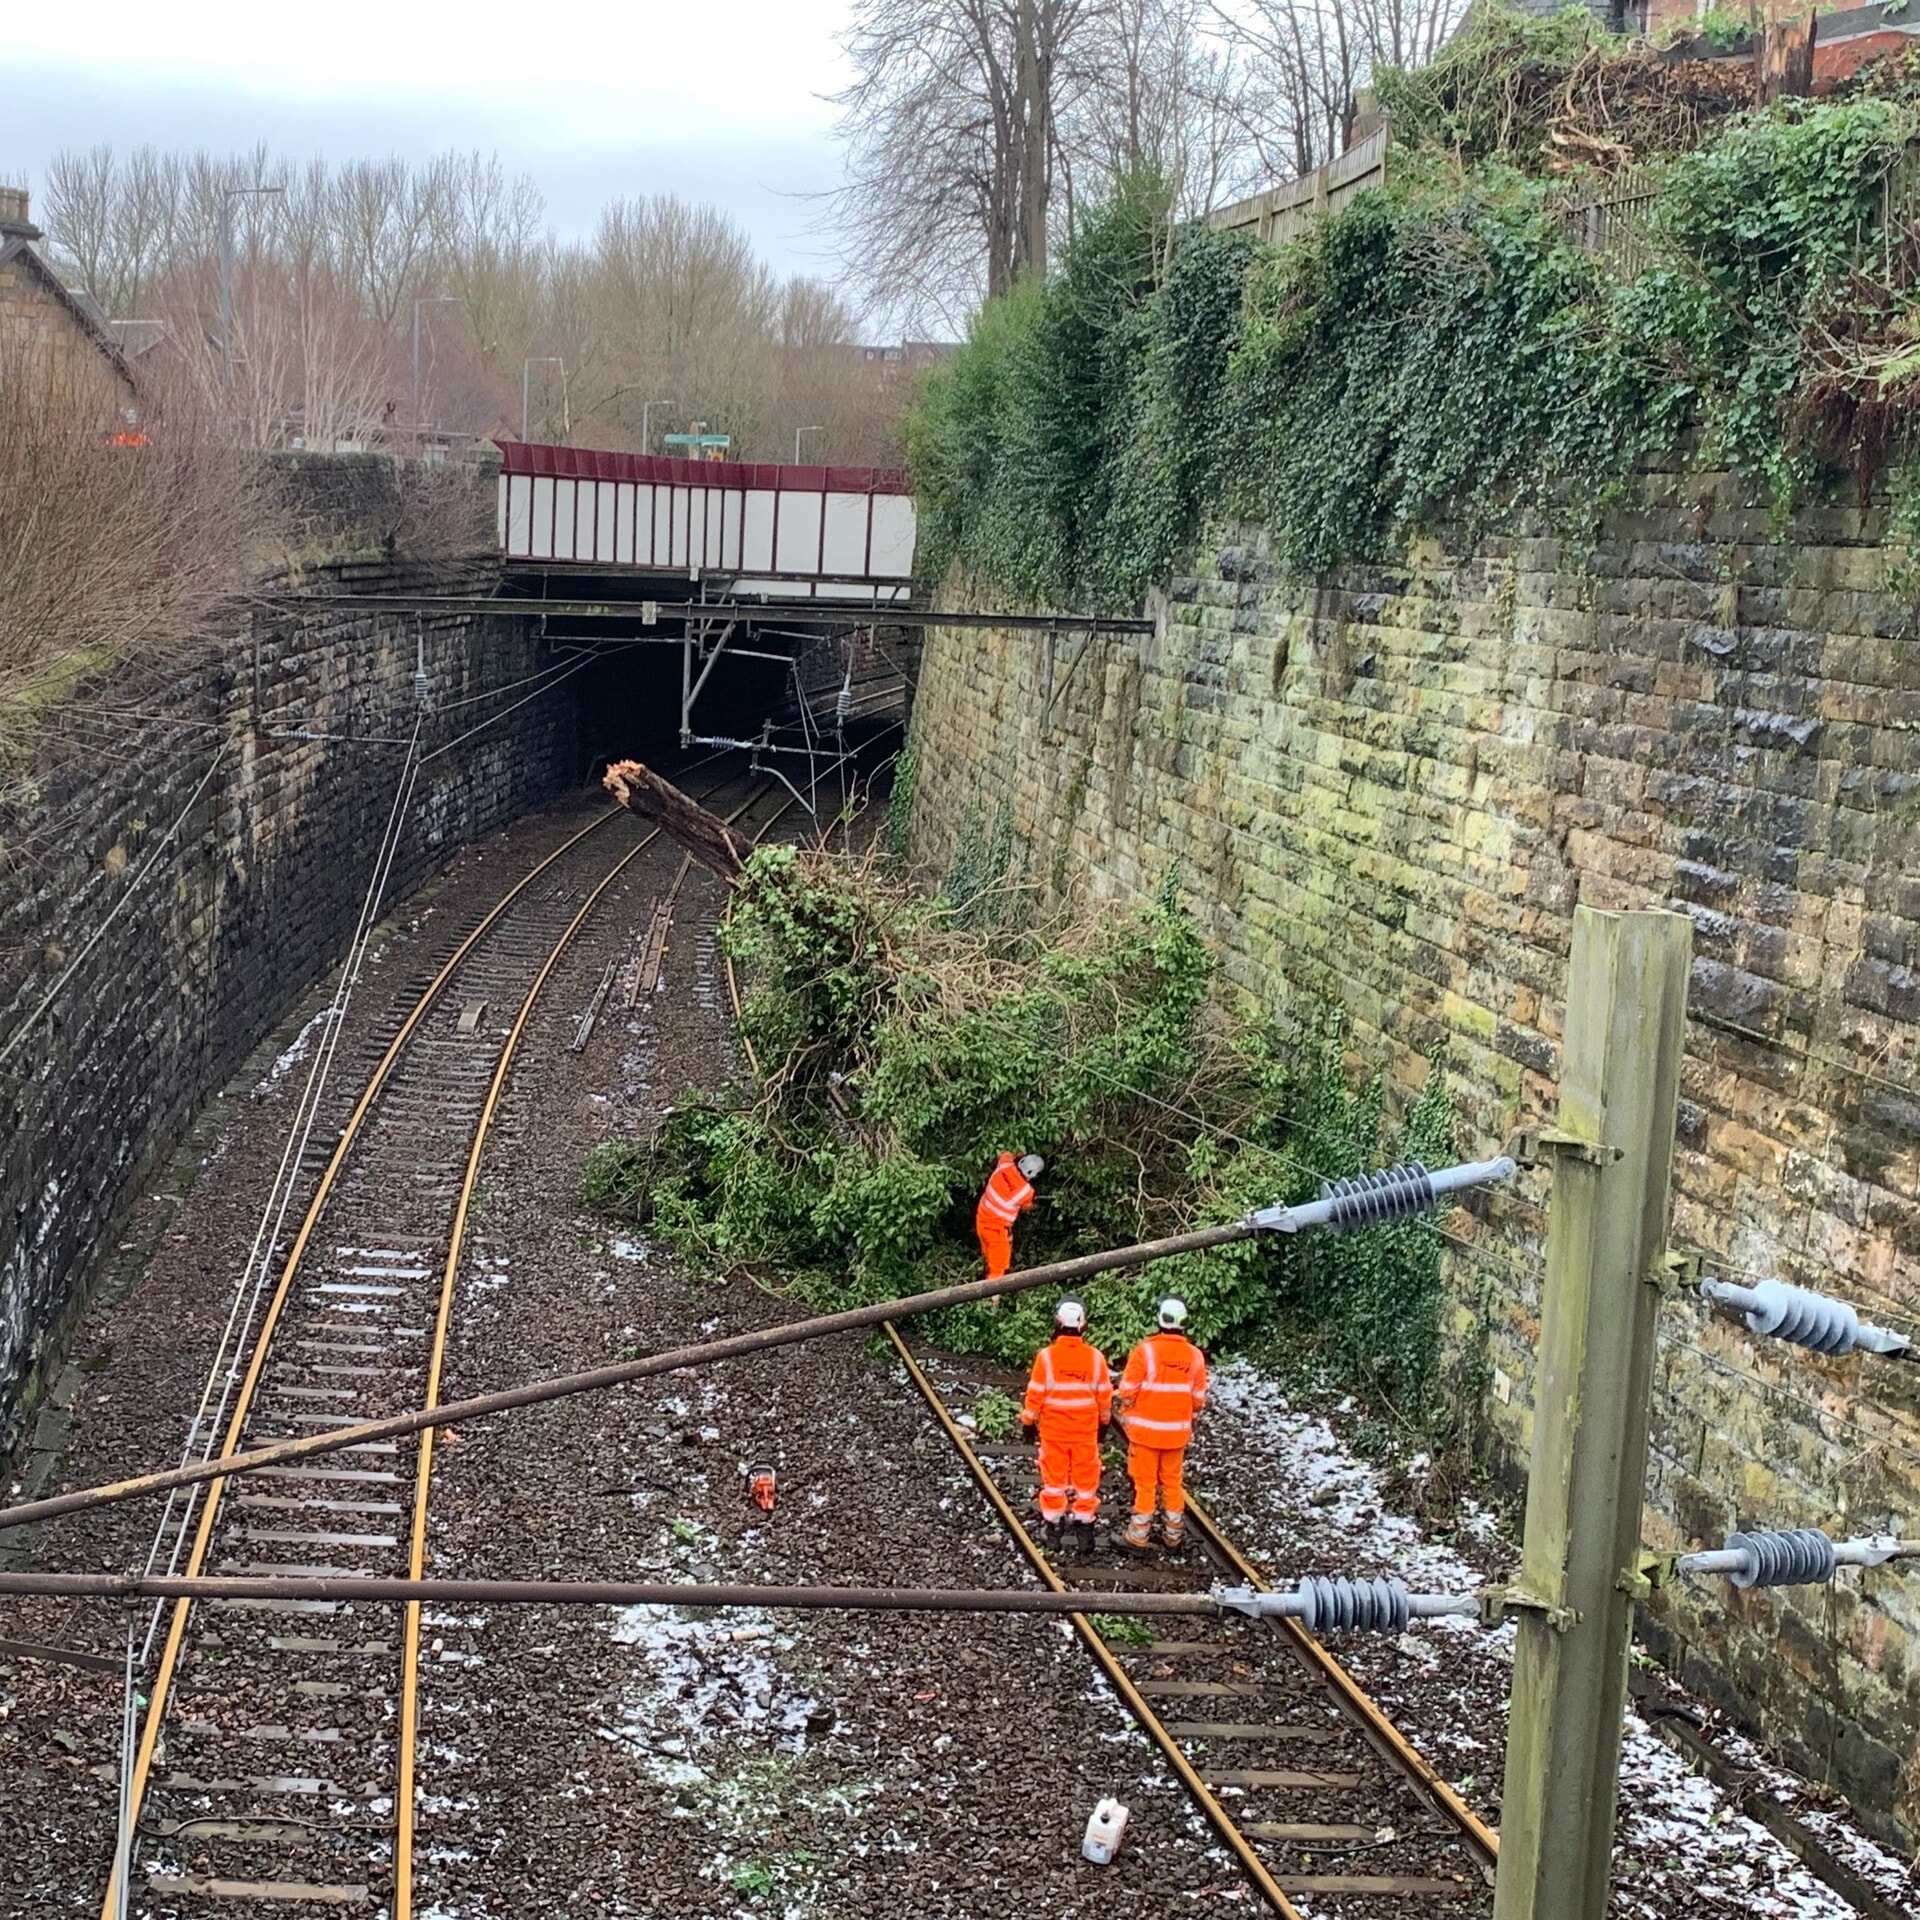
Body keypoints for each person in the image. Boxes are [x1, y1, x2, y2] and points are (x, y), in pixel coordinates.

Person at [1020, 1297, 1112, 1553]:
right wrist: (1104, 1422)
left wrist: (1028, 1422)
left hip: (1054, 1432)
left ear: (1057, 1323)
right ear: (1083, 1325)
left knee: (1053, 1482)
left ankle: (1053, 1530)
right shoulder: (1095, 1358)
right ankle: (1085, 1532)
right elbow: (1104, 1396)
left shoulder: (1046, 1358)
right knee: (1086, 1482)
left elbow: (1035, 1393)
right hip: (1085, 1433)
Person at [1116, 1297, 1209, 1550]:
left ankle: (1138, 1535)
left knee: (1145, 1483)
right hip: (1176, 1435)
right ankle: (1173, 1535)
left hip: (1145, 1433)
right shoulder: (1195, 1356)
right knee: (1172, 1482)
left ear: (1160, 1319)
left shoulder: (1145, 1351)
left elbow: (1126, 1390)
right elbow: (1198, 1399)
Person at [976, 1151, 1043, 1288]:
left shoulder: (1004, 1165)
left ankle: (985, 1287)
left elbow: (1006, 1154)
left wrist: (1018, 1153)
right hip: (997, 1231)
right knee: (997, 1271)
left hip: (981, 1221)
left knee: (989, 1260)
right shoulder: (1026, 1192)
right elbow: (1026, 1206)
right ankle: (992, 1302)